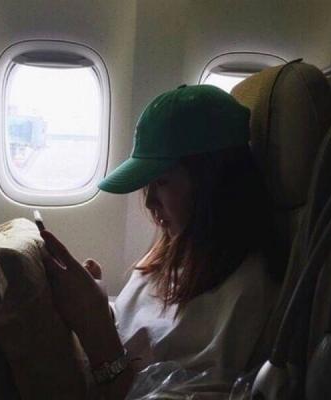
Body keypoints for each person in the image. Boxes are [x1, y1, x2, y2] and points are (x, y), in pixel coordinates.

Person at [41, 84, 283, 399]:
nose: (149, 202)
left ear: (213, 183)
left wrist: (95, 327)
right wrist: (100, 307)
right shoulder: (174, 249)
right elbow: (144, 341)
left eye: (162, 182)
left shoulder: (248, 291)